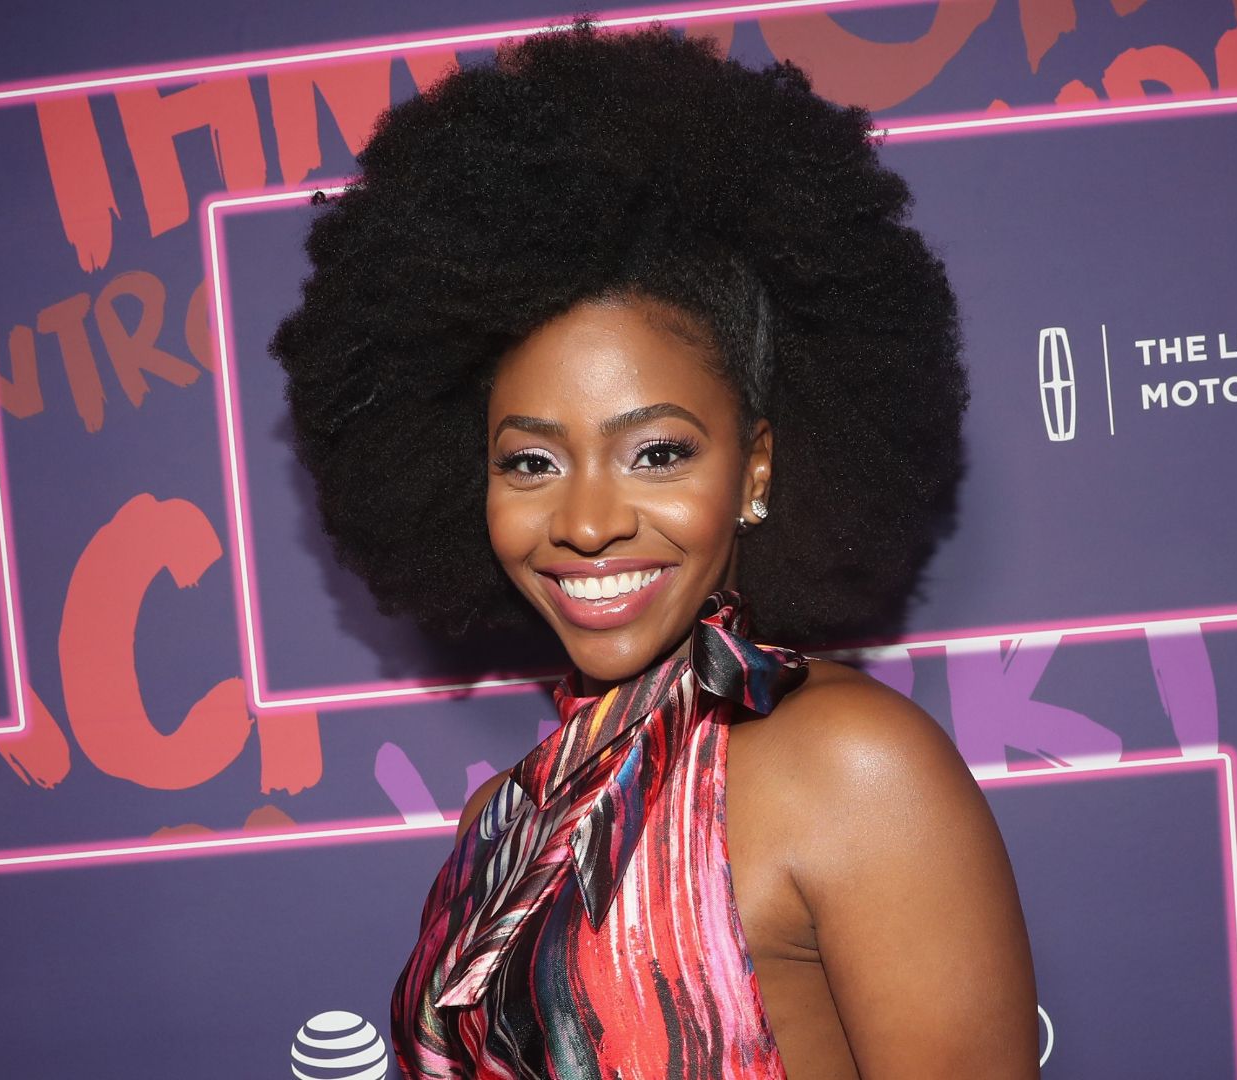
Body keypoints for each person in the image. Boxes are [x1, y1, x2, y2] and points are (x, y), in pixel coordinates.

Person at [271, 19, 1036, 1078]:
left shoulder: (852, 768)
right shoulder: (507, 820)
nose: (587, 523)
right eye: (531, 463)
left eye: (658, 452)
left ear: (756, 470)